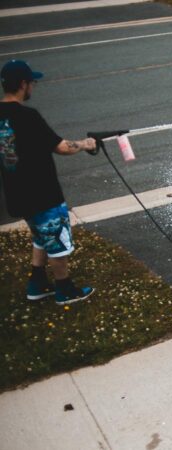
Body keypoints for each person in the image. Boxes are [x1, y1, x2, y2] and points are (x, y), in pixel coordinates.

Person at [0, 59, 97, 305]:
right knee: (57, 239)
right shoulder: (28, 116)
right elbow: (62, 147)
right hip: (42, 191)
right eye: (32, 82)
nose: (33, 86)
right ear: (23, 84)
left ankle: (37, 284)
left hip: (16, 193)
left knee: (41, 235)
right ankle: (64, 289)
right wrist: (85, 145)